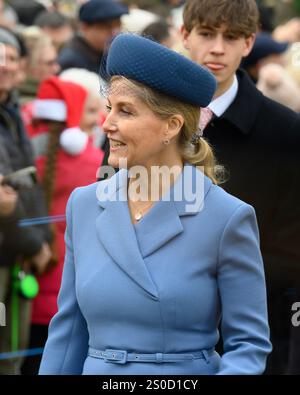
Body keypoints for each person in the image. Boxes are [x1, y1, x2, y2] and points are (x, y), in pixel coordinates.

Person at [39, 33, 271, 375]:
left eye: (126, 112)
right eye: (108, 109)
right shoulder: (84, 205)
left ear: (171, 126)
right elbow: (70, 331)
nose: (107, 125)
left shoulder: (226, 217)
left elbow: (247, 346)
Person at [181, 0, 300, 374]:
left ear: (249, 43)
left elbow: (292, 245)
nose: (217, 48)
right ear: (185, 35)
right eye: (206, 33)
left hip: (252, 335)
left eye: (231, 37)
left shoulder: (286, 132)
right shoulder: (148, 119)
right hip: (157, 339)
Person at [0, 27, 52, 375]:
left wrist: (40, 239)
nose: (4, 65)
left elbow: (25, 181)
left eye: (11, 57)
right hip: (12, 246)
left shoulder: (10, 113)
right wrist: (36, 244)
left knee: (11, 356)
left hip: (14, 252)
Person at [58, 0, 128, 73]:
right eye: (107, 26)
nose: (115, 33)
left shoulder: (108, 52)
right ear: (84, 27)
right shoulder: (71, 61)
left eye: (118, 25)